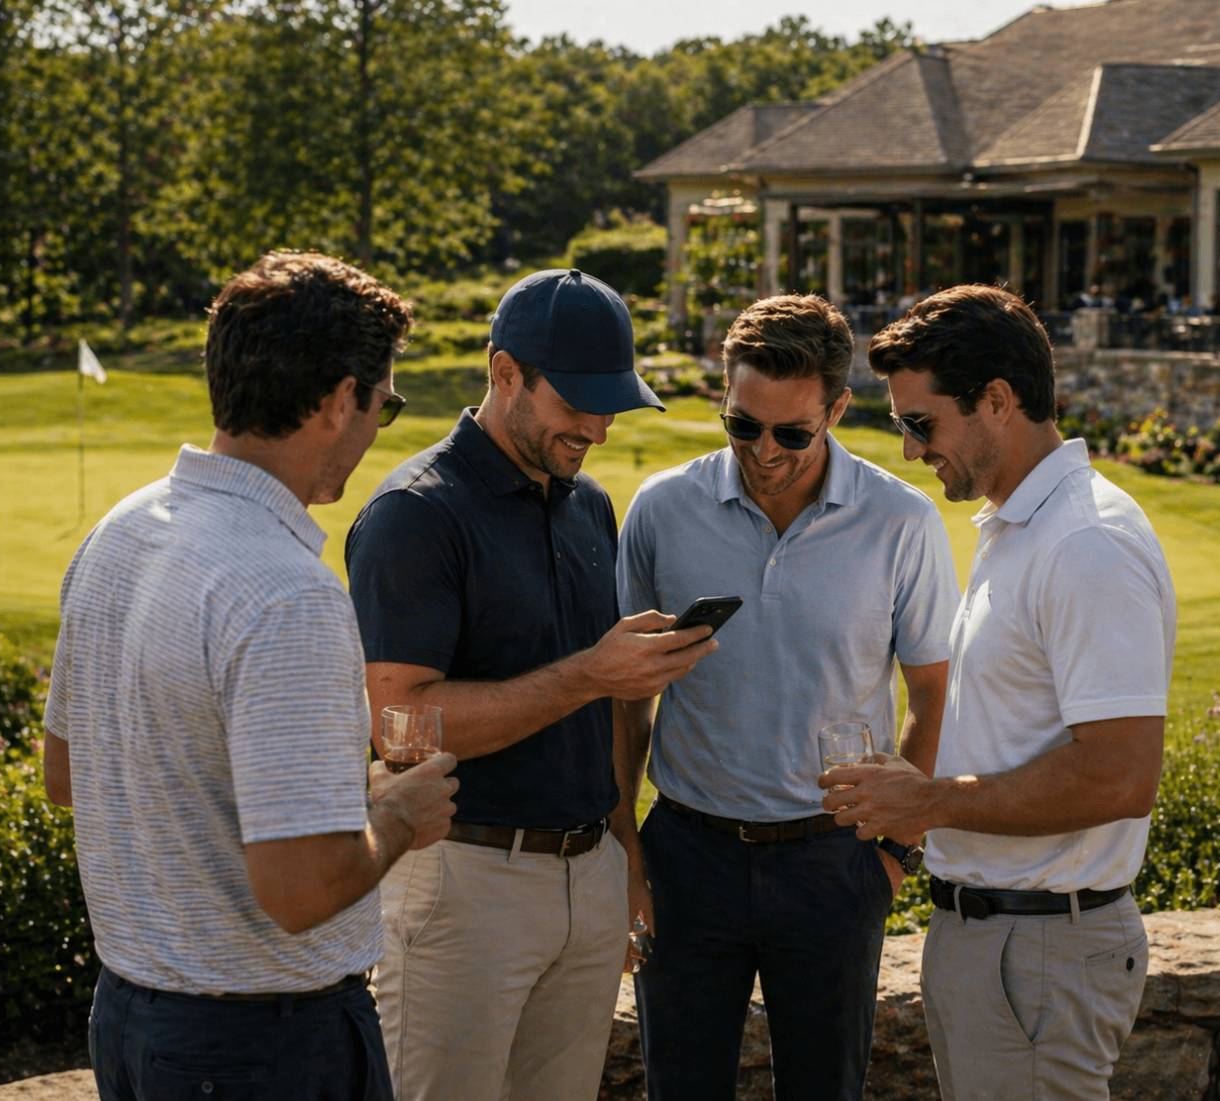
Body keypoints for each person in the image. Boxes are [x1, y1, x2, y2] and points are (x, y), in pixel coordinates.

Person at [42, 250, 459, 1100]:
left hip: (130, 1021)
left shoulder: (118, 533)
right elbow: (302, 890)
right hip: (265, 1042)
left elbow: (64, 774)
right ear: (342, 397)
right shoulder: (286, 591)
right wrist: (398, 816)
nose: (380, 423)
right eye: (386, 402)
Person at [345, 268, 717, 1101]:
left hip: (587, 875)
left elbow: (611, 711)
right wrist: (589, 673)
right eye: (577, 399)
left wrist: (622, 849)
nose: (597, 425)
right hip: (464, 883)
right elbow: (399, 718)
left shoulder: (588, 505)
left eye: (611, 401)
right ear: (504, 371)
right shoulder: (416, 512)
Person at [825, 283, 1176, 1101]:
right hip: (1003, 939)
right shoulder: (1024, 525)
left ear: (996, 400)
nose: (910, 449)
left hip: (1043, 948)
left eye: (921, 422)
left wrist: (930, 802)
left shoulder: (1086, 545)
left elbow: (1122, 775)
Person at [616, 294, 960, 1100]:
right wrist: (624, 841)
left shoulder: (900, 520)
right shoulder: (661, 510)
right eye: (742, 425)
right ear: (724, 400)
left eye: (792, 433)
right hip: (687, 858)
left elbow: (936, 694)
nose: (762, 452)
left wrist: (891, 856)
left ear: (838, 408)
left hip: (833, 861)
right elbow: (621, 696)